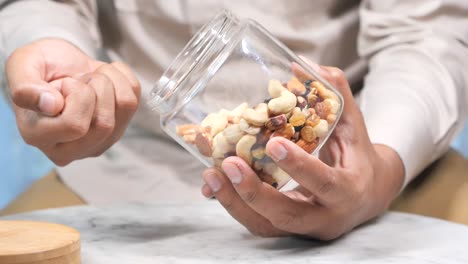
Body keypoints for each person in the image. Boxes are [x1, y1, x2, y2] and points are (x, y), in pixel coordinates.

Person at [0, 0, 467, 239]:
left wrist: (381, 167)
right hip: (128, 162)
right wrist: (48, 51)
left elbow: (428, 31)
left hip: (366, 145)